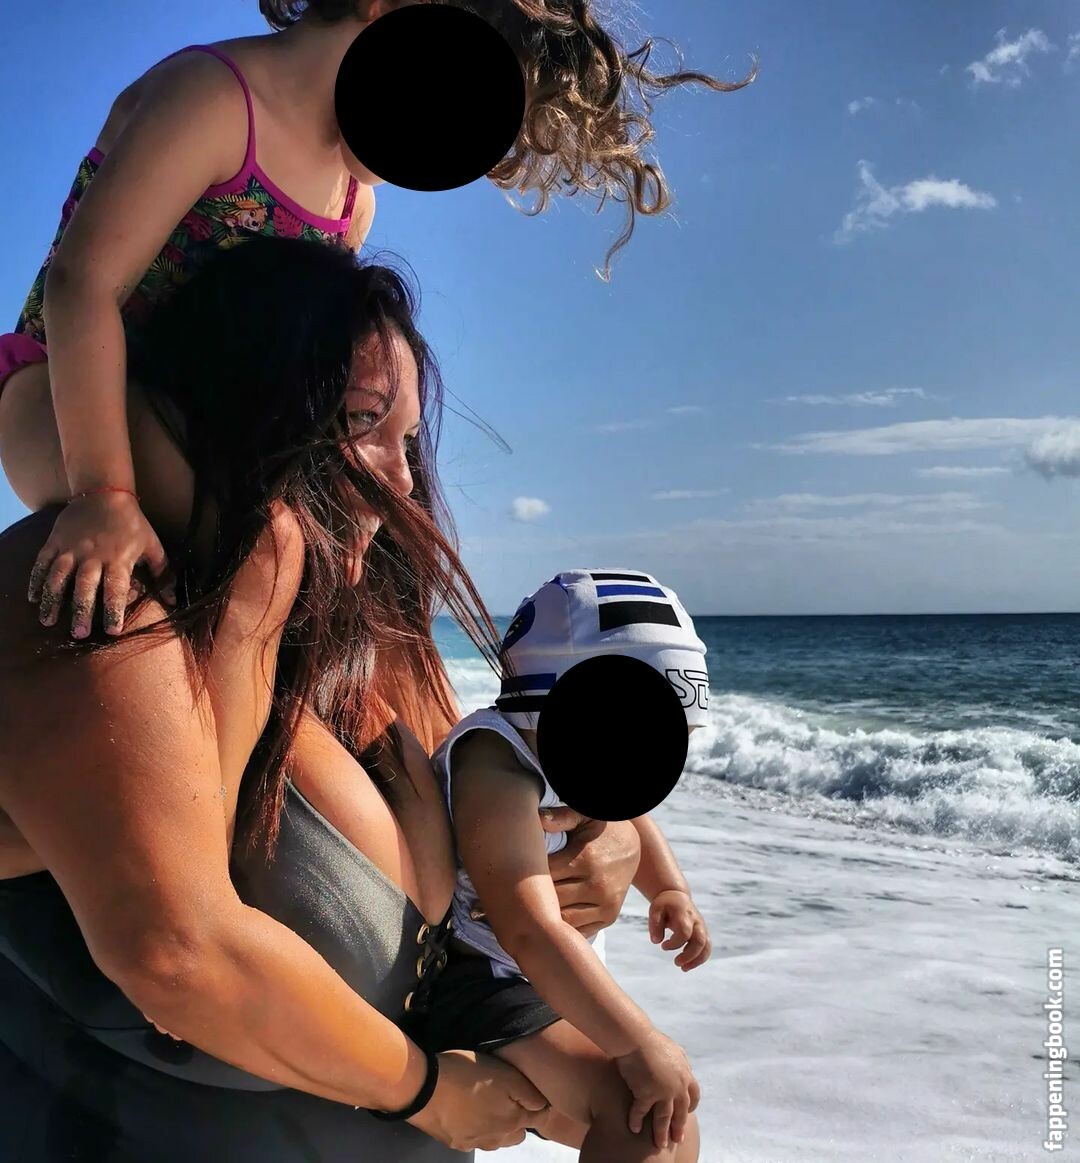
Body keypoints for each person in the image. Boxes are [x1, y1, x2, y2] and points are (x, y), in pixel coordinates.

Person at [0, 236, 642, 1162]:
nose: (403, 477)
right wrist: (427, 1093)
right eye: (361, 422)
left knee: (656, 1113)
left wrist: (606, 838)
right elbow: (176, 954)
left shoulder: (350, 633)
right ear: (244, 401)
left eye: (408, 438)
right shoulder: (93, 608)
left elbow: (488, 783)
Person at [0, 0, 753, 646]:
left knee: (380, 568)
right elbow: (82, 282)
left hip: (210, 424)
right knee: (264, 547)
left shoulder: (352, 203)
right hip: (61, 397)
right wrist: (105, 493)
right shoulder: (217, 99)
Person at [421, 569, 712, 1159]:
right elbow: (528, 929)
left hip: (537, 982)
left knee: (670, 1128)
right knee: (640, 1116)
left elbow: (634, 819)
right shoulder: (496, 766)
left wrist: (670, 890)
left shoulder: (573, 759)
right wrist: (636, 1042)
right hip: (478, 981)